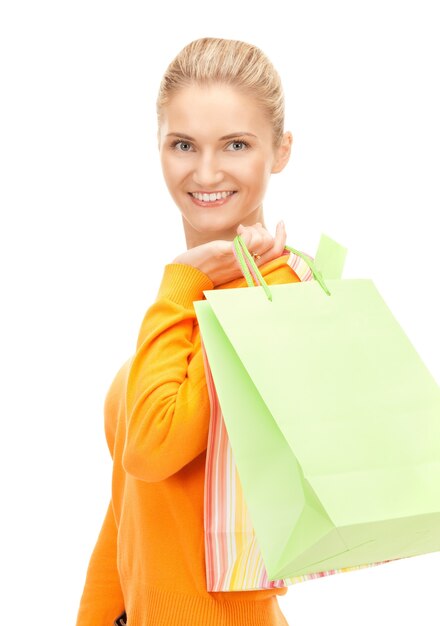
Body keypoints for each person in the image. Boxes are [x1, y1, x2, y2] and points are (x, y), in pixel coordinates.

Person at [75, 36, 301, 626]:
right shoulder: (192, 298)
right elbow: (130, 508)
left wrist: (177, 283)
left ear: (280, 151)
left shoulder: (275, 299)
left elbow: (154, 446)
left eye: (236, 144)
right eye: (183, 144)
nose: (206, 172)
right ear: (159, 148)